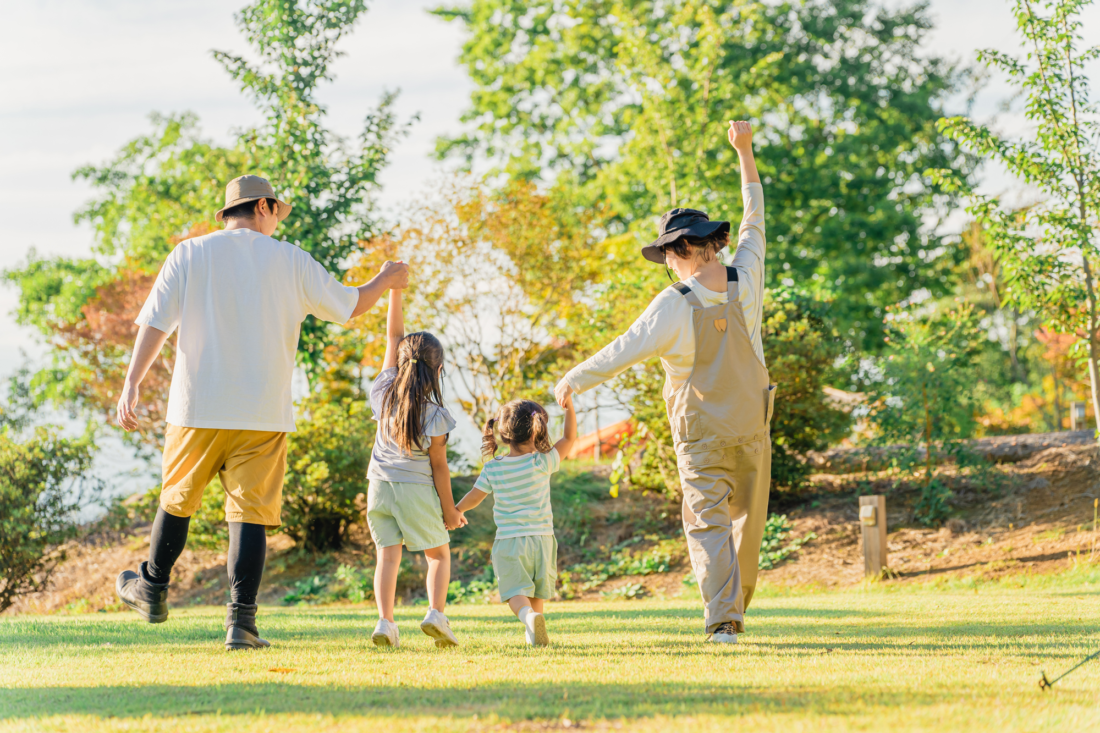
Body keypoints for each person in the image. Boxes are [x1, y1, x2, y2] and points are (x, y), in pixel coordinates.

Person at [114, 174, 409, 651]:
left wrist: (132, 383)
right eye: (278, 213)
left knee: (177, 499)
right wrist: (387, 279)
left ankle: (152, 587)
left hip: (197, 405)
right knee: (249, 517)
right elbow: (351, 306)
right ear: (266, 207)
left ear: (229, 213)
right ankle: (241, 625)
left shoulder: (189, 254)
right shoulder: (290, 260)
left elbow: (154, 324)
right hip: (263, 412)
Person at [554, 121, 773, 644]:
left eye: (667, 256)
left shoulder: (672, 304)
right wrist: (745, 151)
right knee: (747, 527)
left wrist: (573, 379)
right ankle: (734, 609)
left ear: (677, 252)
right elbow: (755, 218)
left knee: (707, 525)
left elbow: (622, 351)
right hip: (752, 425)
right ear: (713, 245)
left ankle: (724, 620)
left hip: (701, 435)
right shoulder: (749, 276)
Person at [366, 287, 467, 649]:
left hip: (377, 486)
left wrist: (395, 290)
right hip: (414, 489)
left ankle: (385, 622)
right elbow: (439, 469)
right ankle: (436, 614)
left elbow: (394, 336)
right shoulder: (436, 416)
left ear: (399, 360)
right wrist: (450, 510)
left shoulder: (382, 393)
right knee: (437, 553)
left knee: (387, 557)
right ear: (438, 369)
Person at [455, 397, 577, 646]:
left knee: (515, 593)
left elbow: (474, 498)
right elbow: (569, 439)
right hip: (542, 539)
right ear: (536, 429)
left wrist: (456, 511)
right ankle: (535, 629)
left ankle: (528, 618)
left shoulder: (493, 468)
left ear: (502, 433)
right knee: (536, 591)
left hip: (510, 542)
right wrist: (570, 407)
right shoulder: (541, 462)